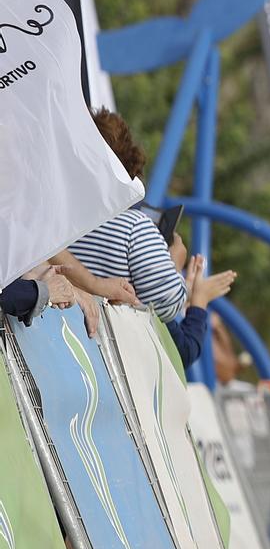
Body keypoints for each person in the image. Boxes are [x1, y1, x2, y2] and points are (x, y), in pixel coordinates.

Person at [66, 109, 233, 366]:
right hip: (114, 363)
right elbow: (168, 306)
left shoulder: (58, 218)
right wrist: (175, 263)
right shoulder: (134, 228)